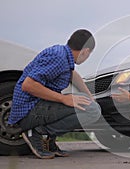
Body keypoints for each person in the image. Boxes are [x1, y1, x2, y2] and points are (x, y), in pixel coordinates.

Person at [8, 29, 101, 159]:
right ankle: (38, 132)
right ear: (85, 51)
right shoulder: (58, 57)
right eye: (89, 54)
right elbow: (28, 85)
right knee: (92, 110)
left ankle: (48, 140)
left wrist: (90, 96)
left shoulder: (63, 55)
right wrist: (63, 98)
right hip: (28, 109)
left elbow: (73, 75)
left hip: (36, 106)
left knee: (88, 102)